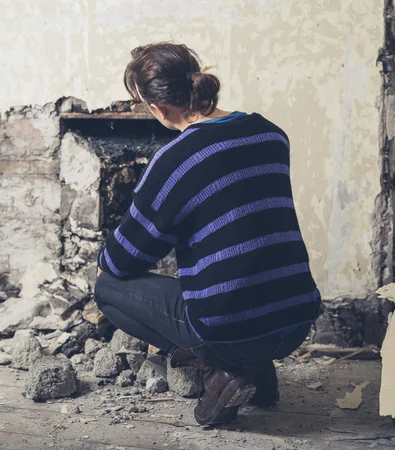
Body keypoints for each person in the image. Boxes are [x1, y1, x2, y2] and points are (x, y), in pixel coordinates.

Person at [94, 42, 321, 426]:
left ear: (158, 108)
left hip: (233, 329)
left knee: (107, 289)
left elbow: (127, 257)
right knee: (240, 285)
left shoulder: (176, 159)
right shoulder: (270, 134)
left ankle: (226, 370)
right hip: (296, 320)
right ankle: (259, 373)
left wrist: (103, 265)